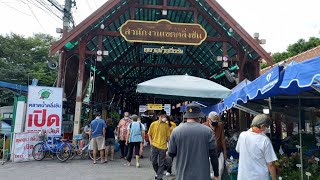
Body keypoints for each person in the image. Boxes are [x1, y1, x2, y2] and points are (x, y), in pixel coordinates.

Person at [168, 104, 219, 180]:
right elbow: (214, 155)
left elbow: (171, 154)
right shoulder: (208, 131)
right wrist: (216, 174)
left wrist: (168, 170)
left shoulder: (176, 131)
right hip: (203, 176)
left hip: (182, 176)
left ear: (186, 116)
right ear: (199, 117)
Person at [236, 114, 277, 180]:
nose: (267, 129)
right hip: (259, 177)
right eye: (267, 127)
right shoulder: (264, 140)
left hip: (243, 176)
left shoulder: (242, 135)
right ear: (262, 126)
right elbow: (271, 164)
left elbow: (238, 150)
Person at [203, 111, 227, 179]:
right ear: (209, 119)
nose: (216, 122)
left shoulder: (220, 125)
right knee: (208, 171)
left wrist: (225, 152)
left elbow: (222, 139)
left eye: (217, 120)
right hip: (207, 153)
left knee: (220, 169)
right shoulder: (204, 126)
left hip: (218, 151)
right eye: (214, 120)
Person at [148, 110, 171, 180]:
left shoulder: (166, 126)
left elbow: (168, 137)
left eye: (165, 116)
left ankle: (159, 177)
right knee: (153, 161)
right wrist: (151, 142)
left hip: (163, 147)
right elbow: (149, 134)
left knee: (161, 163)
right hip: (154, 145)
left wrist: (168, 147)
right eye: (163, 116)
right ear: (159, 116)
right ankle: (158, 173)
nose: (164, 118)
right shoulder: (153, 124)